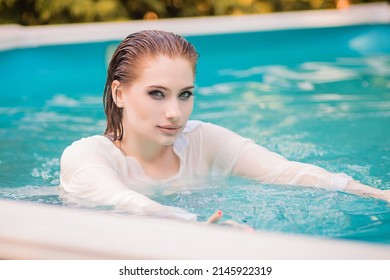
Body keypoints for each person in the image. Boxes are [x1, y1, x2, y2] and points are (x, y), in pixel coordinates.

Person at [59, 30, 389, 224]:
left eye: (185, 94)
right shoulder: (87, 157)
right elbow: (127, 203)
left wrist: (375, 193)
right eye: (156, 93)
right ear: (119, 93)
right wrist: (195, 226)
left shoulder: (203, 140)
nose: (175, 112)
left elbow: (284, 172)